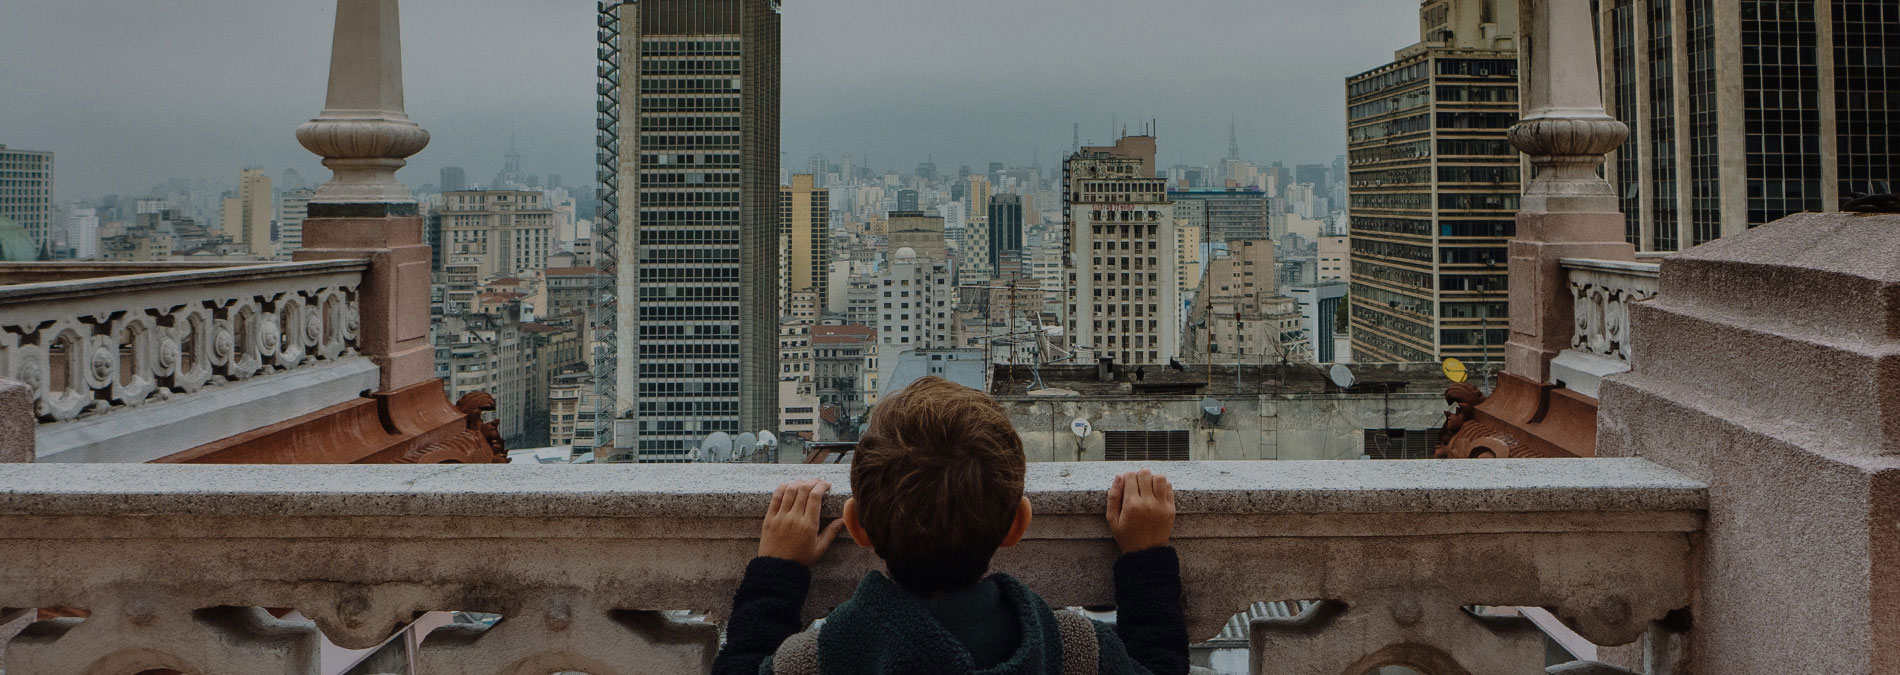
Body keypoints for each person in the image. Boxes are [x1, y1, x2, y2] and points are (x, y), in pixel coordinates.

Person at [713, 376, 1187, 675]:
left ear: (857, 526)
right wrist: (1146, 560)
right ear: (1016, 524)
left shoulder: (823, 657)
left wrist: (777, 570)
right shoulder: (1071, 649)